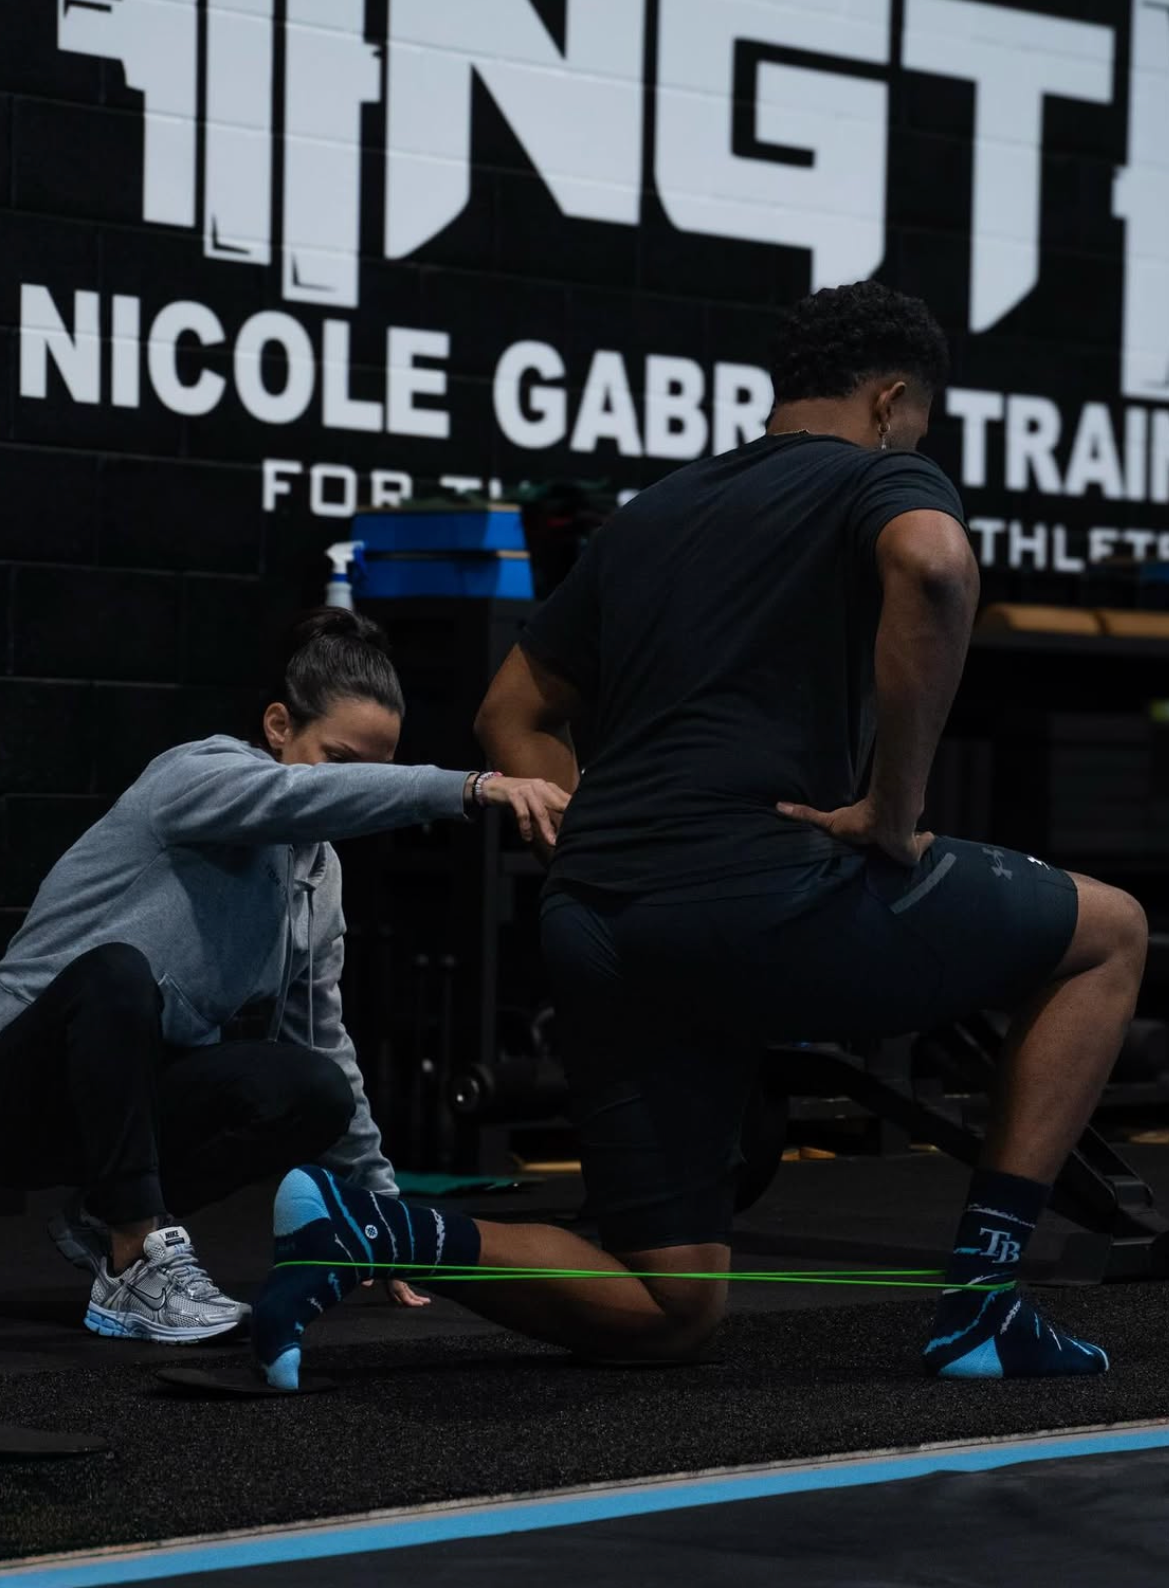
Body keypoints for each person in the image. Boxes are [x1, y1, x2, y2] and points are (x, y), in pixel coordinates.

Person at [252, 283, 1146, 1388]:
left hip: (598, 924)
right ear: (893, 397)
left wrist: (596, 843)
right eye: (920, 421)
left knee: (671, 1304)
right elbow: (937, 567)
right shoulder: (882, 473)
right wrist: (895, 807)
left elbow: (508, 716)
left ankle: (374, 1229)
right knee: (1111, 931)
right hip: (761, 896)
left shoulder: (651, 515)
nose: (918, 438)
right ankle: (983, 1304)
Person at [0, 609, 567, 1344]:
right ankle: (137, 1253)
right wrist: (470, 786)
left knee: (311, 1087)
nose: (355, 788)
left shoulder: (317, 880)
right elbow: (292, 798)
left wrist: (387, 1217)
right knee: (116, 975)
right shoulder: (194, 776)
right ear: (277, 726)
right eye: (340, 760)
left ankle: (101, 1225)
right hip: (19, 1082)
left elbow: (326, 1045)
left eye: (375, 773)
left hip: (112, 1116)